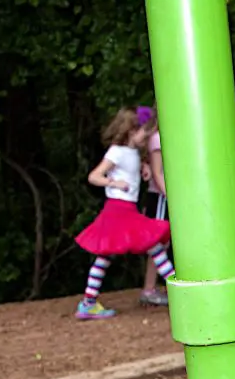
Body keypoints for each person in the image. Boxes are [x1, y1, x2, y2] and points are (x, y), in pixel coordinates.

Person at [73, 107, 175, 320]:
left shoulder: (132, 153)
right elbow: (94, 176)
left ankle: (88, 302)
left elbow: (131, 165)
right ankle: (179, 291)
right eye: (143, 132)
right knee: (153, 244)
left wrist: (144, 166)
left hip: (125, 210)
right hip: (118, 210)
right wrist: (113, 182)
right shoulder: (116, 152)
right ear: (130, 131)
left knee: (106, 255)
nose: (146, 135)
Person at [136, 105, 170, 307]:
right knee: (157, 242)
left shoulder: (167, 137)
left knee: (164, 243)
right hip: (160, 197)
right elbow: (158, 174)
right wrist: (170, 197)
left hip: (166, 196)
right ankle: (149, 289)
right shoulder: (157, 139)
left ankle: (154, 287)